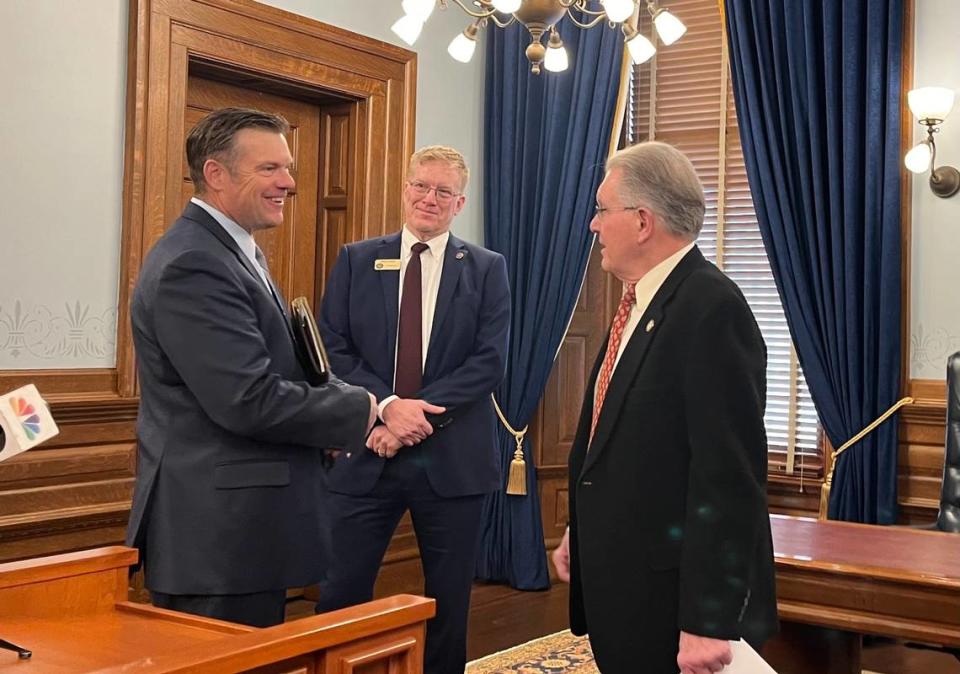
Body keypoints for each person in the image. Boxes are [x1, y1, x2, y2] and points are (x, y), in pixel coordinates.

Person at [125, 107, 376, 628]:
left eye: (287, 168)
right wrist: (362, 408)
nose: (289, 182)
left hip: (243, 533)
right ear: (216, 174)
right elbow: (247, 398)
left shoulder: (236, 252)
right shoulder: (194, 263)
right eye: (270, 169)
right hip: (218, 539)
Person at [551, 141, 778, 674]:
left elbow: (727, 477)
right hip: (627, 586)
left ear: (643, 221)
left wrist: (707, 620)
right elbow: (615, 437)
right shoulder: (640, 300)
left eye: (603, 210)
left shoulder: (710, 307)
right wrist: (578, 530)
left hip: (671, 603)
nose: (593, 225)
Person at [317, 145, 510, 673]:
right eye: (420, 186)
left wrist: (409, 421)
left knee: (447, 606)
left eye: (442, 191)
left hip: (452, 464)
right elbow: (333, 349)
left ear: (459, 202)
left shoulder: (487, 270)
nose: (429, 198)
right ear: (405, 190)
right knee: (339, 595)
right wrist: (385, 409)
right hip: (365, 456)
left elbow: (488, 363)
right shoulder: (356, 259)